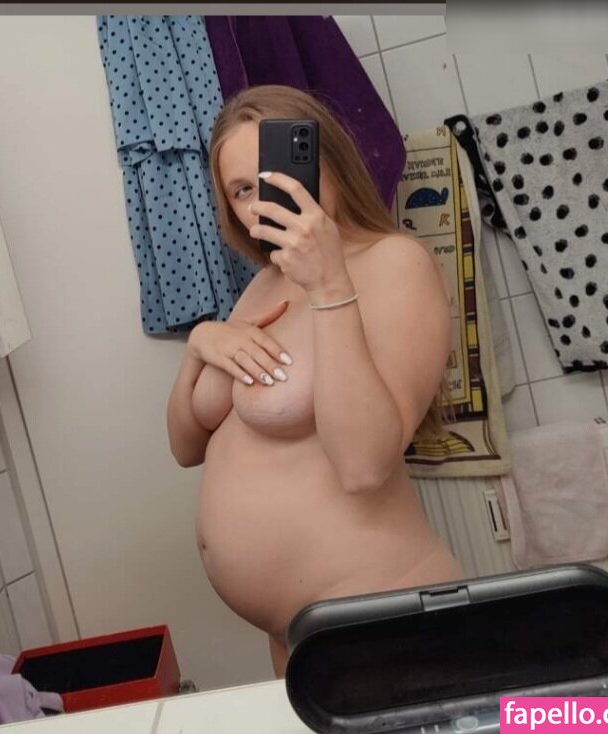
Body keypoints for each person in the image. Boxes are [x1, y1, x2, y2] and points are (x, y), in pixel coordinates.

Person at [166, 86, 463, 678]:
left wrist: (329, 286)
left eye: (274, 175)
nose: (261, 202)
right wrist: (201, 344)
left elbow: (363, 465)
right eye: (241, 190)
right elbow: (186, 447)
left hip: (377, 621)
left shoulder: (394, 263)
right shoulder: (264, 284)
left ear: (323, 161)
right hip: (296, 640)